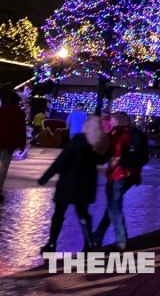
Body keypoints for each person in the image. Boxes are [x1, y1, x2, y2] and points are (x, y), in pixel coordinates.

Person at [38, 114, 109, 253]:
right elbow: (101, 161)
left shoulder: (78, 139)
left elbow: (62, 159)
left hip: (69, 180)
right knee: (83, 213)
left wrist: (46, 177)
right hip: (87, 182)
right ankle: (88, 243)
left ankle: (52, 244)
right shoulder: (102, 142)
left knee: (59, 213)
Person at [92, 112, 143, 250]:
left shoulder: (119, 135)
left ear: (118, 121)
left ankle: (121, 240)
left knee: (115, 208)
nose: (110, 121)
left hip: (118, 175)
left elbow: (117, 157)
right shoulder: (129, 133)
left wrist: (108, 166)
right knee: (111, 207)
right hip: (129, 174)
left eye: (112, 119)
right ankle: (98, 235)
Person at [0, 92, 28, 202]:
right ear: (17, 101)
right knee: (3, 168)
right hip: (8, 144)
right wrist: (22, 144)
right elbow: (21, 130)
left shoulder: (1, 110)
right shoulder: (18, 113)